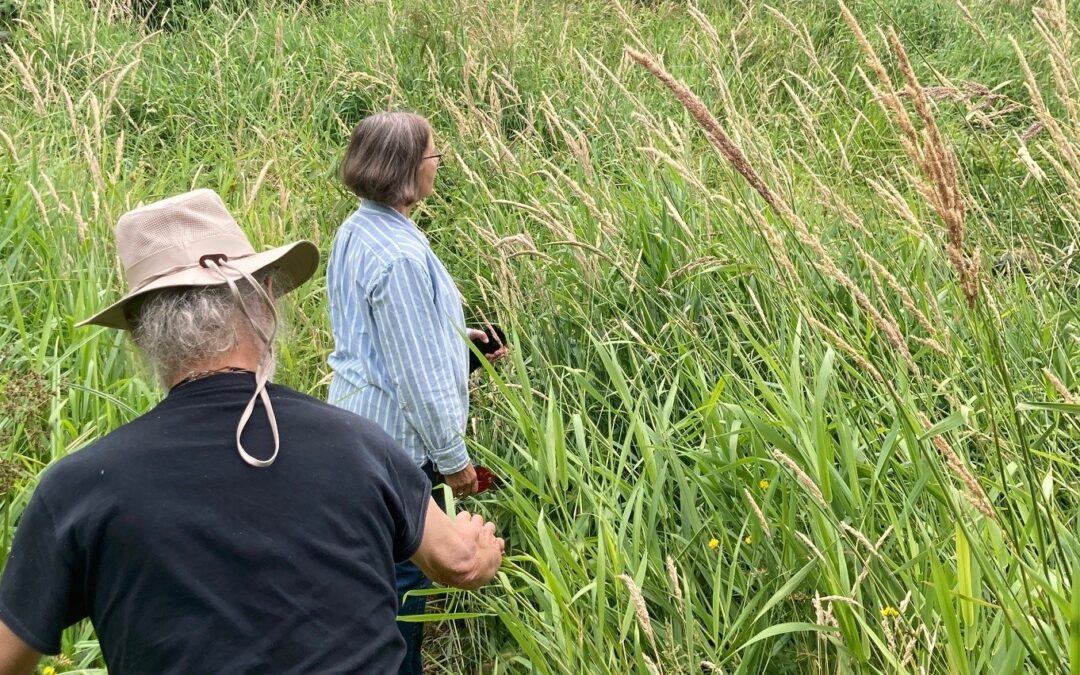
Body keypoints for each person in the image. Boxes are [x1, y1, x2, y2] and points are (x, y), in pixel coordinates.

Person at [0, 189, 504, 674]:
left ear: (137, 332)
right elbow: (459, 563)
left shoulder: (78, 488)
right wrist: (478, 542)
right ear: (263, 300)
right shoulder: (362, 445)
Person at [327, 111, 507, 674]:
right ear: (407, 169)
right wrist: (455, 464)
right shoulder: (401, 257)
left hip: (354, 427)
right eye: (434, 156)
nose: (438, 166)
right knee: (403, 583)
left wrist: (462, 342)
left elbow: (385, 336)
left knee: (371, 577)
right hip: (395, 448)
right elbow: (419, 379)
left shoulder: (360, 228)